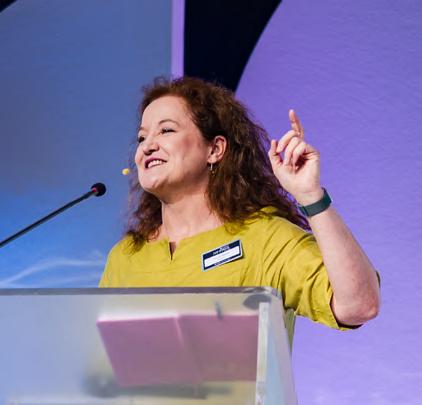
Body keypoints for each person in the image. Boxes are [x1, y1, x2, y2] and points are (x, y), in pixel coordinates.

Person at [100, 76, 380, 335]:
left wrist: (311, 197)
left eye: (166, 130)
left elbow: (359, 305)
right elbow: (99, 358)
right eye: (142, 137)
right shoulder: (125, 258)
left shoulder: (264, 239)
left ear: (215, 149)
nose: (147, 146)